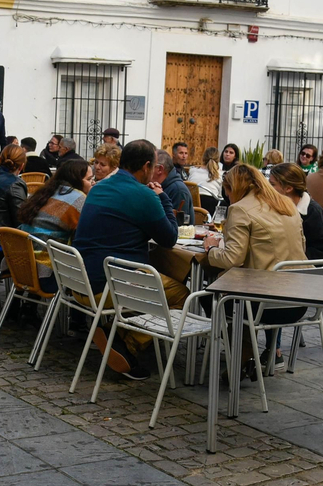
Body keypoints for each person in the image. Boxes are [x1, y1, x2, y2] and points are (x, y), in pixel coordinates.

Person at [72, 139, 182, 378]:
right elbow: (169, 238)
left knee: (149, 280)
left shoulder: (98, 188)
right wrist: (162, 198)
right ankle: (127, 343)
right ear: (146, 167)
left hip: (79, 281)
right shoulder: (144, 195)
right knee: (182, 295)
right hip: (109, 288)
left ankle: (115, 333)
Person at [204, 163, 307, 376]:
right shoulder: (287, 204)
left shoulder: (240, 209)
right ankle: (247, 355)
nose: (227, 196)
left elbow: (232, 258)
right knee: (235, 293)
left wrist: (211, 249)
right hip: (300, 299)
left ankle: (243, 356)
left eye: (227, 190)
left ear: (234, 188)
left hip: (266, 303)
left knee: (211, 297)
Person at [267, 162, 323, 262]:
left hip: (317, 267)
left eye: (272, 184)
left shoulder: (312, 212)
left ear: (288, 188)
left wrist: (293, 260)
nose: (267, 188)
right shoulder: (273, 207)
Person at [17, 158, 92, 245]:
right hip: (46, 250)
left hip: (22, 246)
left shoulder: (47, 192)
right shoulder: (78, 199)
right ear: (77, 180)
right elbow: (88, 230)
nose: (93, 183)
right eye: (89, 179)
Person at [157, 149, 194, 223]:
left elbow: (179, 225)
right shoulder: (157, 186)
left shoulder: (178, 191)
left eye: (150, 166)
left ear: (160, 169)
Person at [193, 146, 223, 213]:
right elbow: (221, 195)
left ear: (203, 158)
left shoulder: (193, 172)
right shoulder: (220, 175)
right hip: (211, 210)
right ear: (218, 160)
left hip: (194, 208)